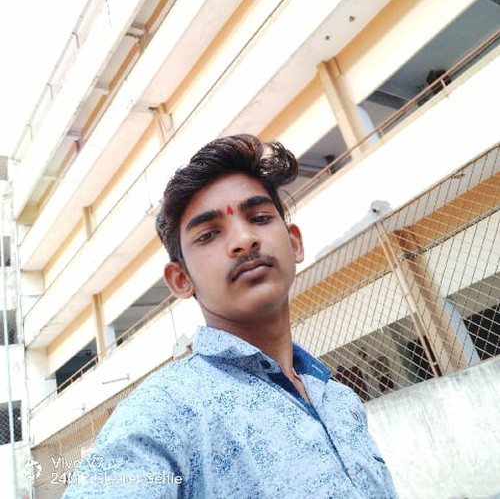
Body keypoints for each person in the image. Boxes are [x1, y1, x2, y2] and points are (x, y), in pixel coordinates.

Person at [63, 134, 397, 498]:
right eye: (208, 235)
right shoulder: (162, 412)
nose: (243, 240)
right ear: (181, 280)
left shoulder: (341, 401)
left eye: (260, 217)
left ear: (294, 243)